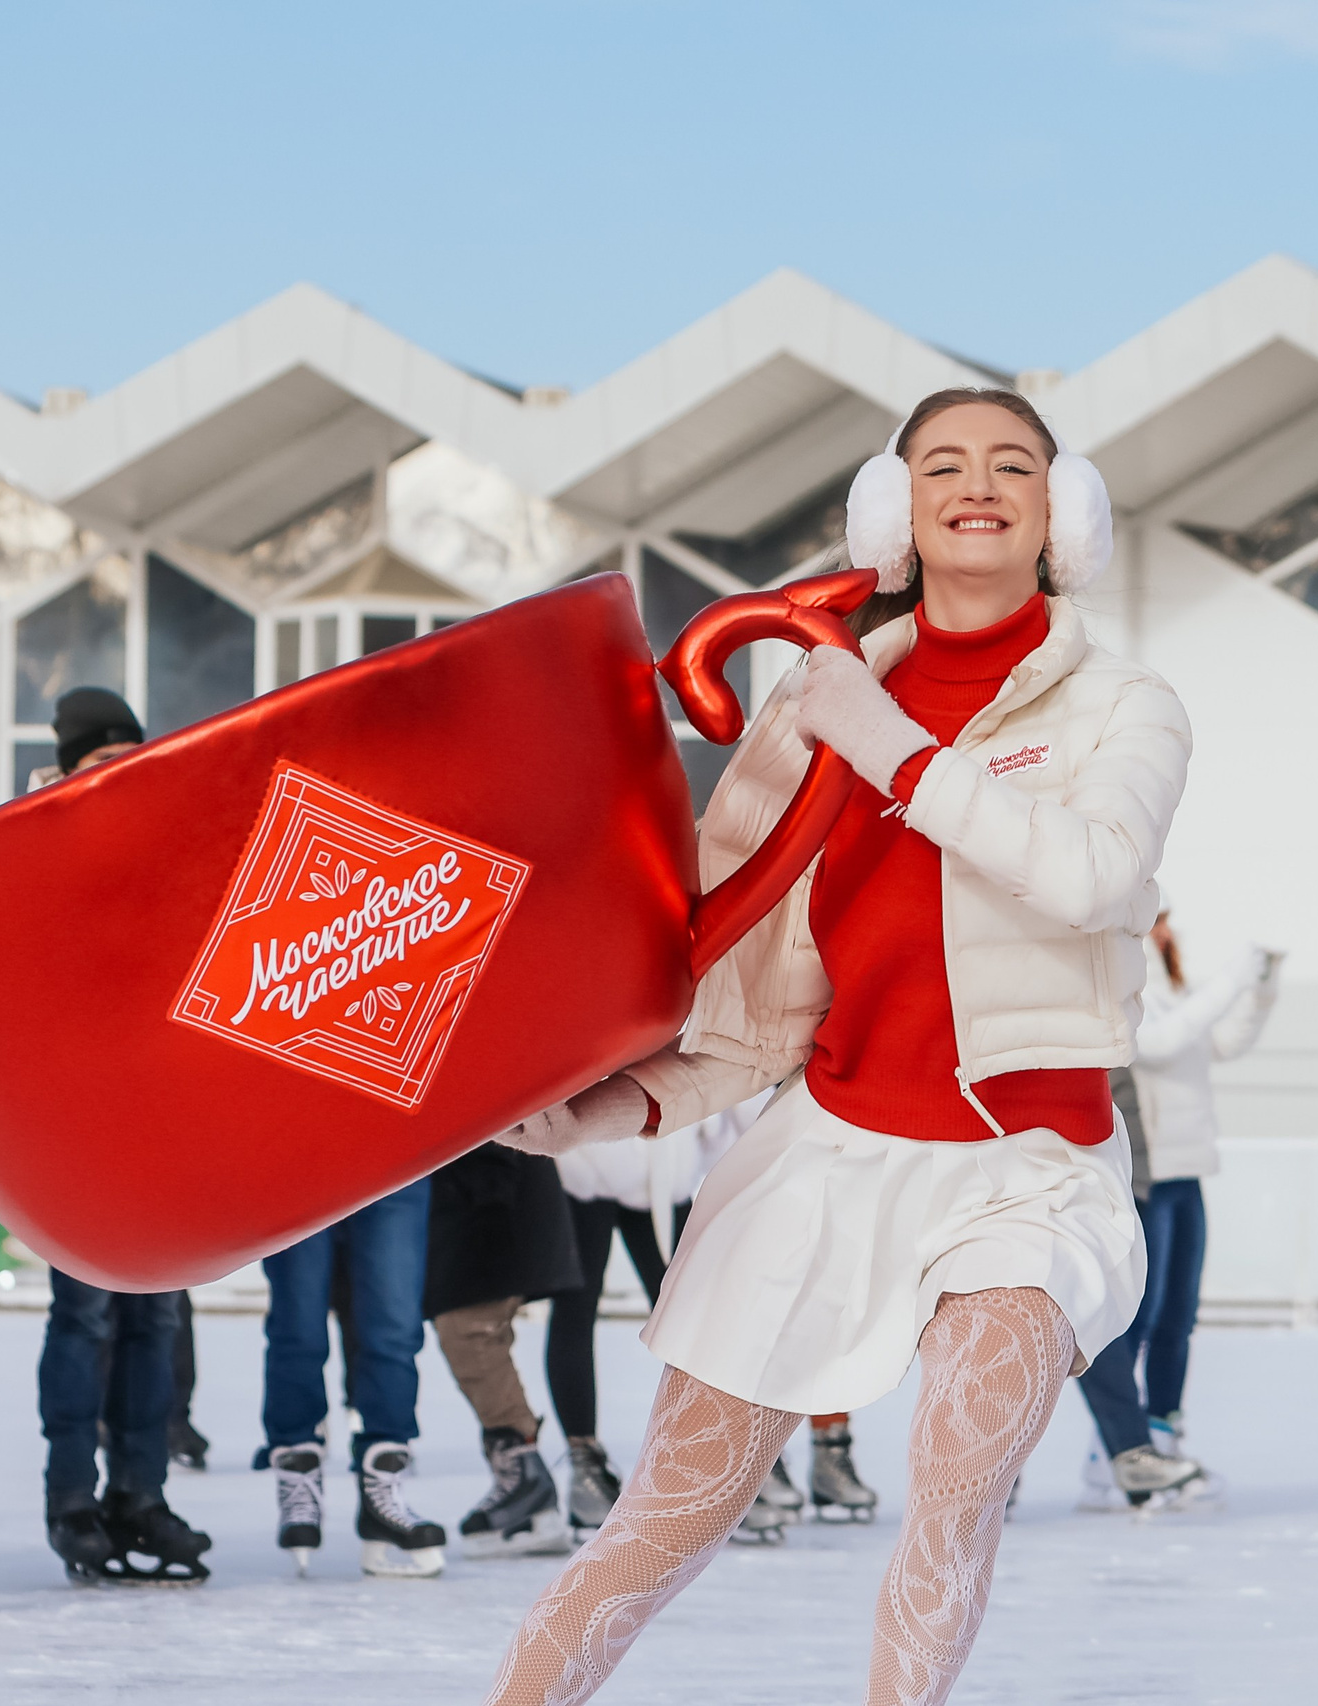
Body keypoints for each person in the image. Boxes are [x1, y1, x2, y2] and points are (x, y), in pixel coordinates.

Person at [483, 385, 1188, 1704]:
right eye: (943, 466)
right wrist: (603, 1112)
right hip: (831, 1153)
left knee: (956, 1480)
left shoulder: (1124, 706)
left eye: (1013, 466)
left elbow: (1091, 876)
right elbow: (753, 1004)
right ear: (898, 511)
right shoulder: (811, 711)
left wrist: (902, 755)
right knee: (667, 1515)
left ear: (1061, 513)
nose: (978, 485)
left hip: (1031, 1166)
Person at [23, 690, 214, 1585]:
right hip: (80, 1129)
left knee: (157, 1316)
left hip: (167, 1123)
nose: (121, 777)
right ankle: (72, 1498)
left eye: (131, 758)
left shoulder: (170, 844)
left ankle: (140, 1493)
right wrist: (34, 826)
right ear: (67, 769)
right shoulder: (30, 845)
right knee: (87, 1314)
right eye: (102, 764)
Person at [1074, 916, 1278, 1510]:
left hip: (1189, 1169)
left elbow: (1224, 1040)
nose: (1165, 934)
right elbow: (1158, 1045)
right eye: (1155, 922)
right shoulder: (1123, 996)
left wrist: (1264, 987)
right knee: (1139, 1312)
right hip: (1148, 1170)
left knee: (1177, 1316)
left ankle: (1161, 1431)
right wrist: (1235, 977)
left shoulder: (1178, 996)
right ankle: (1112, 1449)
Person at [547, 1095, 747, 1533]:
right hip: (584, 1162)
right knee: (579, 1311)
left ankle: (729, 1452)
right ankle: (584, 1462)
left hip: (659, 1160)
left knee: (693, 1314)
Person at [261, 1180, 447, 1578]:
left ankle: (384, 1481)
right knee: (298, 1323)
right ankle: (297, 1469)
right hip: (295, 1155)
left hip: (397, 1149)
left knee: (394, 1325)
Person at [425, 1142, 582, 1558]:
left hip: (490, 1190)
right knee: (474, 1331)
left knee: (470, 1331)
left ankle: (526, 1481)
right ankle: (525, 1481)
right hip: (483, 1186)